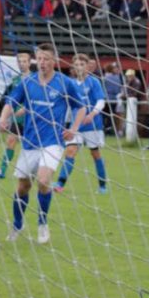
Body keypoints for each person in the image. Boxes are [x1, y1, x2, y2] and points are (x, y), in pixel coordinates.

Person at [0, 43, 85, 244]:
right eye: (40, 59)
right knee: (23, 187)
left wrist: (73, 128)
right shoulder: (28, 82)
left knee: (44, 180)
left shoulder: (65, 83)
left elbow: (80, 108)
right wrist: (4, 118)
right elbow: (11, 102)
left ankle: (42, 224)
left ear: (53, 60)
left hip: (53, 142)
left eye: (47, 59)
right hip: (30, 142)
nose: (43, 63)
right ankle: (17, 225)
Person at [55, 54, 108, 194]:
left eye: (82, 65)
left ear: (87, 66)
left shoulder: (94, 82)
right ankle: (60, 183)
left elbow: (101, 101)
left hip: (92, 125)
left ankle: (102, 186)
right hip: (75, 126)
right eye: (77, 65)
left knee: (95, 154)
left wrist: (92, 114)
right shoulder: (70, 83)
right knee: (70, 151)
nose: (79, 67)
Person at [0, 51, 32, 179]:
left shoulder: (35, 79)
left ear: (30, 63)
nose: (22, 64)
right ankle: (2, 170)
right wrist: (7, 116)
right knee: (11, 141)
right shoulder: (15, 80)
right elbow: (12, 100)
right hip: (18, 118)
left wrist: (25, 109)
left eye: (25, 61)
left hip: (32, 119)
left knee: (31, 147)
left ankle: (35, 172)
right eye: (20, 62)